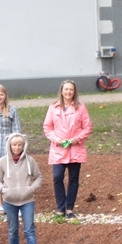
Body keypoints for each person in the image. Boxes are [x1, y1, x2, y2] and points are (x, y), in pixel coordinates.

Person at [42, 80, 92, 218]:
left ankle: (69, 208)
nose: (68, 92)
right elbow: (47, 127)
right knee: (57, 177)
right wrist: (56, 139)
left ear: (74, 92)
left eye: (71, 90)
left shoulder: (80, 107)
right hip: (58, 148)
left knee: (73, 179)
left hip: (75, 148)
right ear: (62, 91)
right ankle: (60, 208)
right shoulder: (53, 107)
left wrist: (76, 139)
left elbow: (87, 127)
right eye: (66, 89)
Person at [0, 133, 41, 244]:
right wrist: (3, 190)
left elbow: (38, 177)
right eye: (14, 144)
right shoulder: (3, 161)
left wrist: (31, 189)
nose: (17, 147)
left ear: (24, 145)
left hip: (27, 200)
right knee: (12, 229)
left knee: (29, 229)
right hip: (9, 201)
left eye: (20, 144)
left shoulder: (29, 160)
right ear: (9, 145)